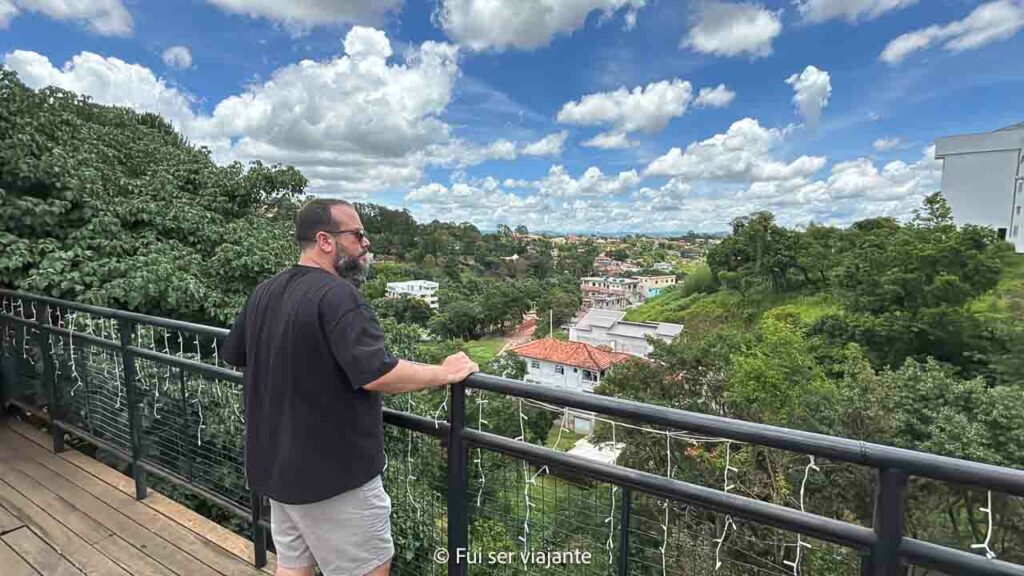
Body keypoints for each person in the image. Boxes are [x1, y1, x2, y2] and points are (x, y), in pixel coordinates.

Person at [222, 198, 479, 576]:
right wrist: (443, 372)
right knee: (369, 568)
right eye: (358, 235)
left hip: (276, 468)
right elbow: (378, 372)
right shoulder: (338, 296)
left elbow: (237, 353)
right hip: (333, 479)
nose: (366, 244)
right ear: (326, 241)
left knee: (293, 566)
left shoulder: (265, 291)